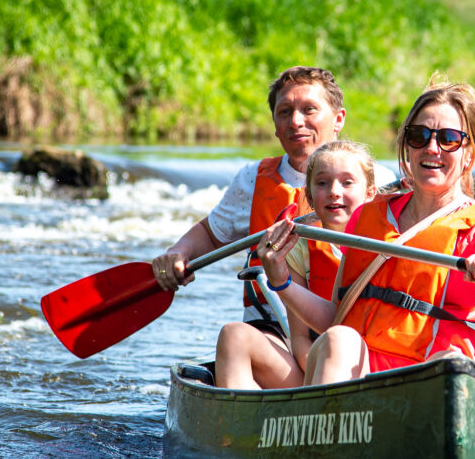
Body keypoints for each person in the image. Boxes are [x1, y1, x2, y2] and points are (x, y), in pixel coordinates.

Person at [264, 80, 475, 386]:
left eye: (448, 139)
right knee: (339, 338)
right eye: (419, 136)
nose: (432, 148)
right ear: (407, 146)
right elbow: (333, 315)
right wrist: (281, 281)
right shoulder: (366, 215)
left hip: (433, 382)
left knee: (449, 363)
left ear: (470, 155)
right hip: (358, 376)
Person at [151, 66, 393, 338]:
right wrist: (179, 251)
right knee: (234, 337)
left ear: (338, 119)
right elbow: (211, 233)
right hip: (270, 328)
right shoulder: (251, 179)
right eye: (285, 112)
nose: (295, 121)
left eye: (309, 110)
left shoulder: (380, 182)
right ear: (275, 126)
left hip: (347, 325)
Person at [214, 140, 377, 389]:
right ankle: (247, 416)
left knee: (338, 343)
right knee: (233, 335)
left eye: (347, 182)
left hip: (366, 366)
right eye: (322, 183)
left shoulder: (386, 244)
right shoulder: (299, 248)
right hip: (311, 366)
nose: (334, 191)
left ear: (370, 194)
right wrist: (324, 369)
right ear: (309, 196)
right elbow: (300, 339)